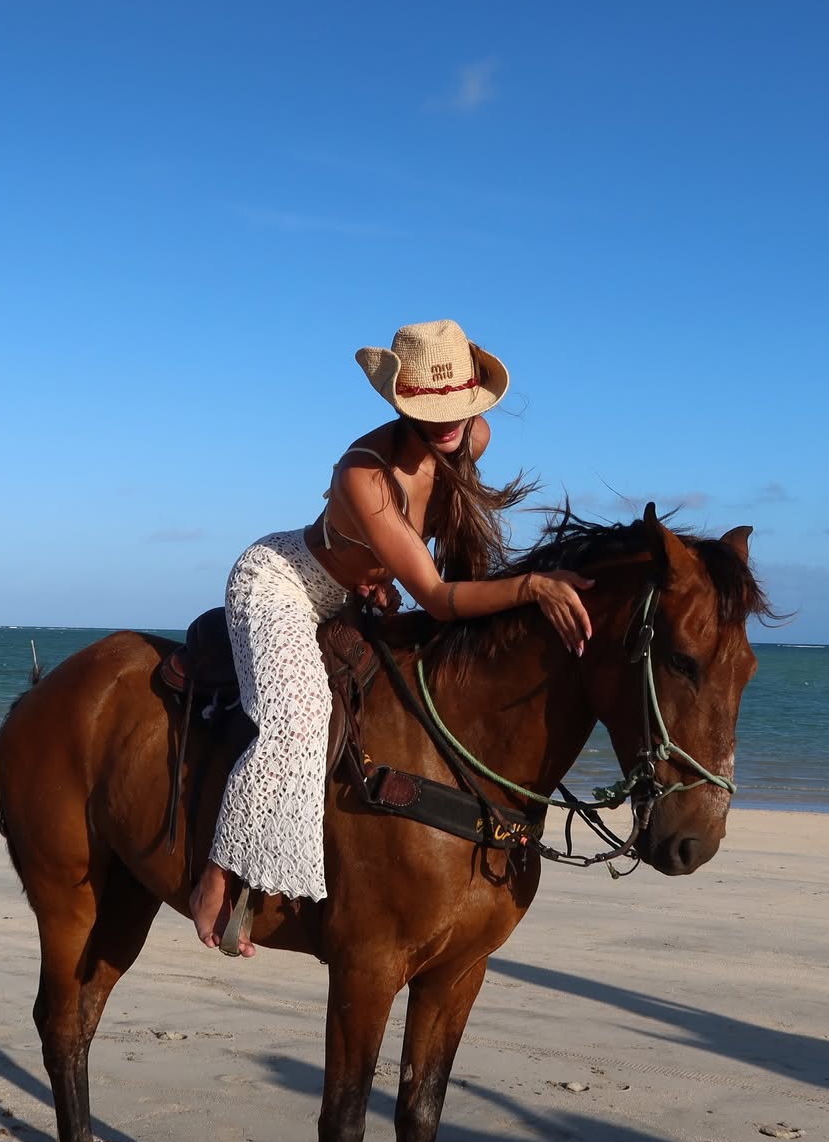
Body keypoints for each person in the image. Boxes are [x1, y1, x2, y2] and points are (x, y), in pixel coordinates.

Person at [189, 319, 593, 954]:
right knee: (297, 717)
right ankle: (222, 871)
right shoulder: (364, 475)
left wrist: (376, 578)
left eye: (457, 406)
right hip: (284, 583)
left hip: (349, 590)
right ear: (401, 406)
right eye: (431, 411)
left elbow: (441, 557)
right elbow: (434, 595)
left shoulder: (470, 438)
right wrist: (533, 586)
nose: (448, 422)